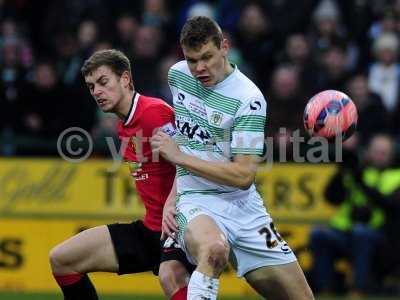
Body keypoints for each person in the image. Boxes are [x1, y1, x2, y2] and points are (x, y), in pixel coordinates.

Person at [151, 16, 314, 300]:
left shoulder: (248, 99)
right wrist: (174, 194)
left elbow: (242, 176)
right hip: (197, 200)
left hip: (244, 208)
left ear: (224, 47)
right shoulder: (178, 76)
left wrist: (179, 158)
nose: (199, 68)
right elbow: (190, 140)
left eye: (207, 57)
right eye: (192, 60)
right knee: (213, 249)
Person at [49, 49, 194, 300]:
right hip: (151, 230)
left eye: (103, 82)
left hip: (179, 227)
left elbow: (190, 161)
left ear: (125, 79)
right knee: (62, 259)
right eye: (91, 86)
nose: (96, 92)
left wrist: (173, 204)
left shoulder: (153, 112)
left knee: (170, 276)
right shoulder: (123, 123)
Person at [310, 133, 400, 298]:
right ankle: (324, 290)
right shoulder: (356, 170)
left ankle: (359, 289)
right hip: (346, 232)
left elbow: (392, 206)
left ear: (391, 155)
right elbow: (331, 198)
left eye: (383, 153)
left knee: (361, 233)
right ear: (368, 152)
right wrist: (342, 170)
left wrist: (361, 183)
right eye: (376, 152)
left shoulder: (396, 176)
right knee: (318, 235)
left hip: (381, 238)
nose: (379, 156)